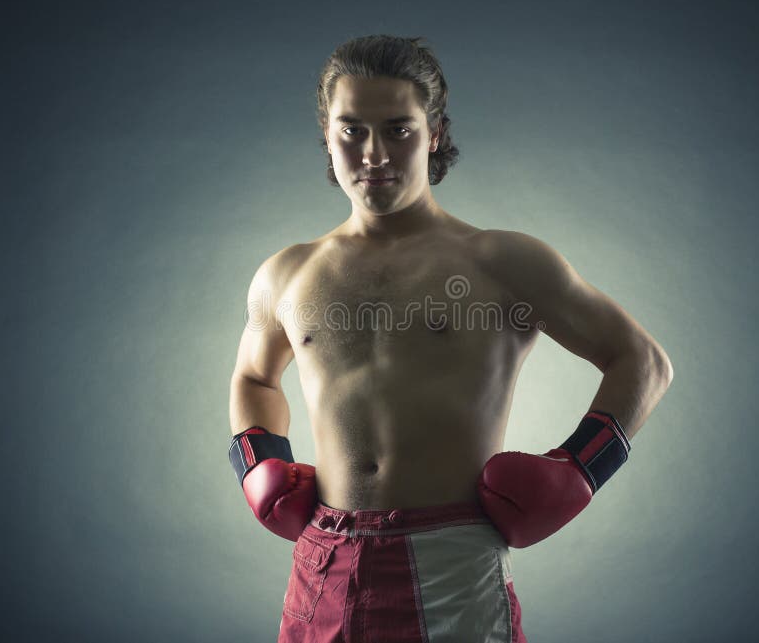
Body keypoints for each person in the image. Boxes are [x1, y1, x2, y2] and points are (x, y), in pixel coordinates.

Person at [227, 35, 673, 643]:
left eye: (398, 130)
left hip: (450, 561)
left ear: (434, 132)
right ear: (326, 135)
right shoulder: (286, 274)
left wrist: (579, 470)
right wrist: (258, 458)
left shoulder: (502, 262)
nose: (374, 153)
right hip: (322, 564)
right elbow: (253, 377)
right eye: (351, 130)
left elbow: (643, 362)